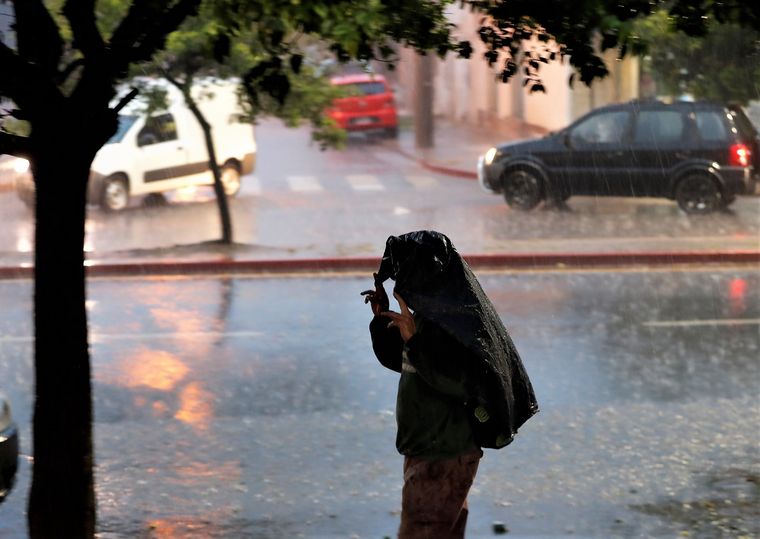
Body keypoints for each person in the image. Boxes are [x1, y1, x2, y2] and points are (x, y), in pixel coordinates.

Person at [362, 230, 538, 539]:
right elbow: (406, 364)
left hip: (441, 456)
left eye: (403, 275)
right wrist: (382, 321)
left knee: (422, 532)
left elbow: (458, 381)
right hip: (429, 451)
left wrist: (415, 341)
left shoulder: (455, 325)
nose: (400, 283)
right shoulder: (426, 318)